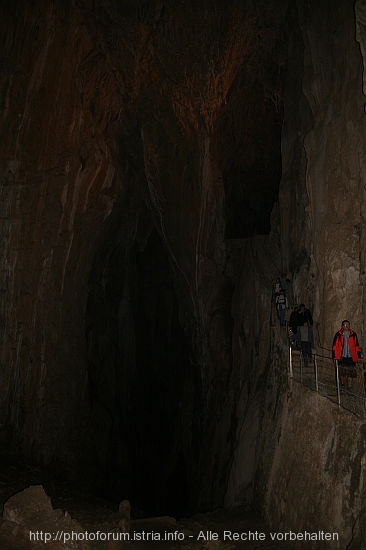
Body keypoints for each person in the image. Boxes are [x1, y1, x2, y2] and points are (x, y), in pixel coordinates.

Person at [332, 320, 362, 388]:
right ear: (342, 326)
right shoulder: (338, 335)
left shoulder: (353, 334)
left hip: (351, 357)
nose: (347, 326)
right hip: (342, 357)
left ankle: (349, 388)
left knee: (350, 374)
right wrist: (334, 357)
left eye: (348, 325)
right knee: (342, 373)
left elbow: (357, 346)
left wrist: (358, 357)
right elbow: (334, 347)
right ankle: (343, 385)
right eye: (345, 325)